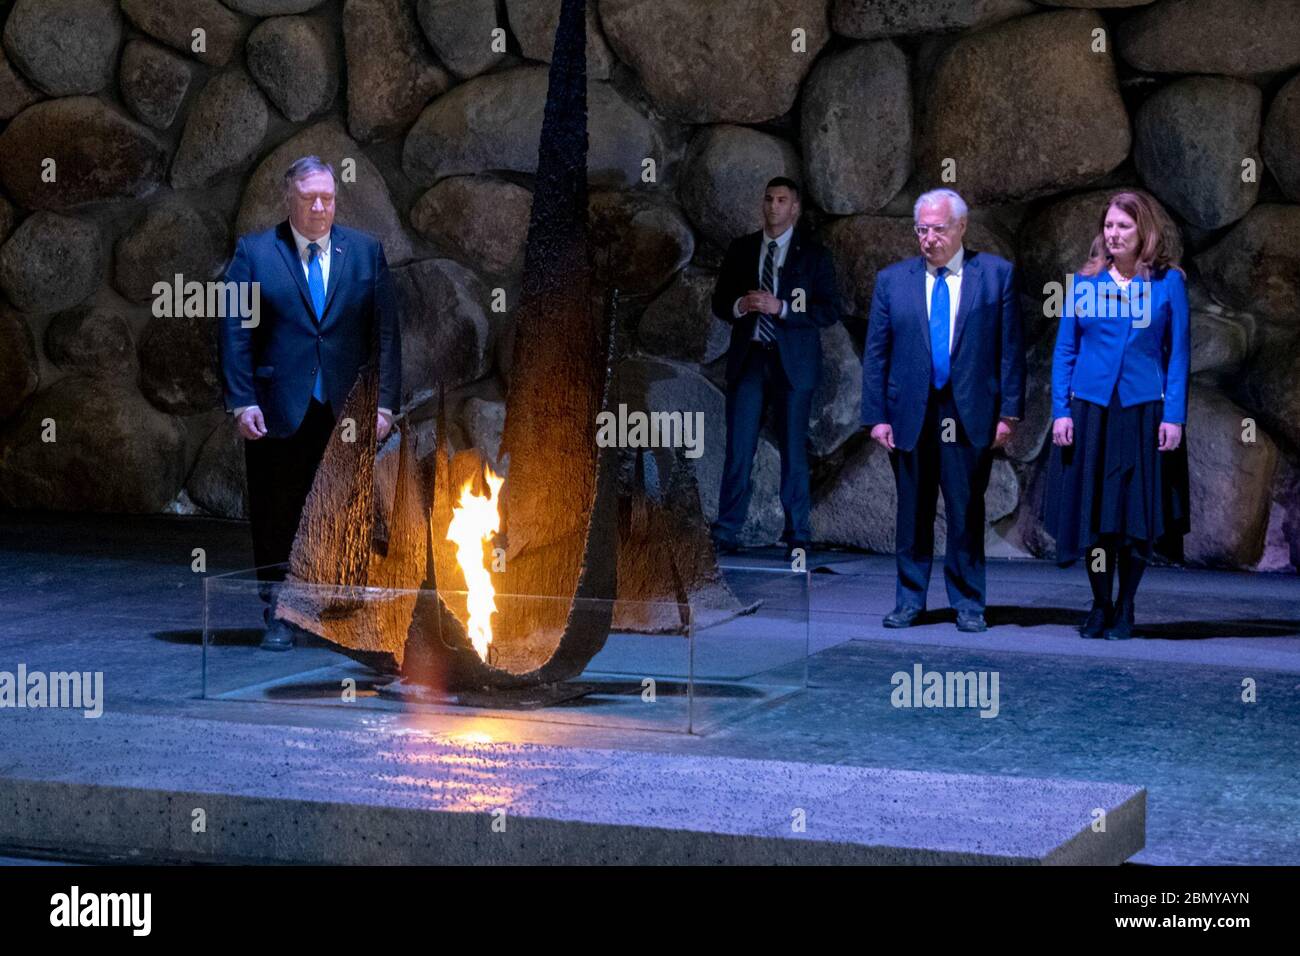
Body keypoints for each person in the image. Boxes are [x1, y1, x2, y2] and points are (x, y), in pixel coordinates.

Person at [219, 155, 402, 650]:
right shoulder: (255, 253)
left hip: (346, 409)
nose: (320, 207)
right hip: (278, 407)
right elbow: (234, 332)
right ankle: (280, 610)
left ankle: (336, 611)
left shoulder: (364, 253)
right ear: (290, 199)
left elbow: (385, 334)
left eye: (327, 198)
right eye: (309, 199)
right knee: (279, 509)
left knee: (345, 508)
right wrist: (242, 402)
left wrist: (384, 404)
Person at [862, 188, 1025, 633]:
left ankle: (969, 603)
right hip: (910, 413)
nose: (929, 238)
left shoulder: (995, 275)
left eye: (938, 229)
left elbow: (1010, 351)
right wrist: (876, 416)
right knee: (911, 511)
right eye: (922, 229)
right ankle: (909, 600)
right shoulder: (892, 281)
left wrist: (1009, 413)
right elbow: (876, 354)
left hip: (968, 409)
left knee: (965, 509)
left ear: (961, 227)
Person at [1046, 190, 1190, 641]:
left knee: (1133, 517)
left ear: (1143, 230)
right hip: (1092, 412)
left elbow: (1179, 353)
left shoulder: (1168, 284)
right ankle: (1099, 603)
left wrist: (1174, 416)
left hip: (1141, 411)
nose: (1113, 234)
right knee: (1094, 518)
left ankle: (1126, 605)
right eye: (1108, 226)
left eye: (1123, 226)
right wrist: (1061, 410)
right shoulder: (1086, 283)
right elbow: (1066, 350)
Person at [710, 177, 839, 559]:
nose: (773, 206)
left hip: (793, 363)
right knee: (739, 448)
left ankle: (798, 533)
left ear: (795, 208)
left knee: (793, 451)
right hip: (751, 358)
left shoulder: (814, 256)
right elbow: (721, 302)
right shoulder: (742, 249)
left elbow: (827, 310)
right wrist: (741, 307)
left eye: (782, 200)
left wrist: (780, 308)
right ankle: (727, 529)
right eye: (768, 199)